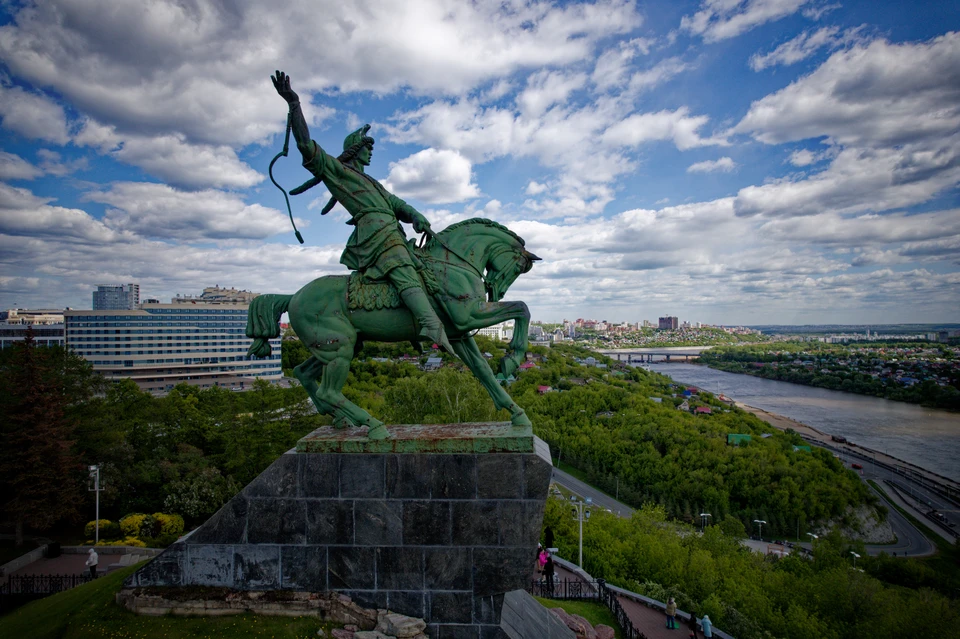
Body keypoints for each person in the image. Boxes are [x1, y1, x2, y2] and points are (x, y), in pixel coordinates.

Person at [271, 70, 455, 354]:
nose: (371, 152)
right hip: (376, 235)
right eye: (367, 148)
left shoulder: (373, 183)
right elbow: (306, 146)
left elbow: (397, 203)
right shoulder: (339, 172)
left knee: (427, 270)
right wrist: (294, 105)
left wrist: (415, 215)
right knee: (402, 267)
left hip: (392, 231)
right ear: (356, 150)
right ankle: (430, 324)